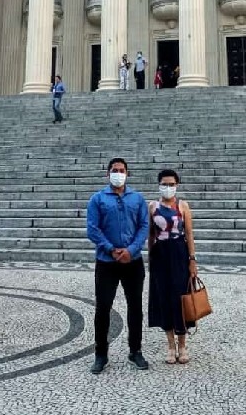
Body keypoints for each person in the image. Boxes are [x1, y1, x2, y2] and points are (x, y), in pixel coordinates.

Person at [86, 158, 150, 374]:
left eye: (122, 170)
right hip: (107, 262)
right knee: (103, 308)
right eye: (115, 170)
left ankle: (135, 350)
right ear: (108, 173)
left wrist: (131, 250)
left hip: (133, 261)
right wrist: (111, 249)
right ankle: (101, 354)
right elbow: (92, 228)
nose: (118, 174)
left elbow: (144, 226)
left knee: (135, 307)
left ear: (127, 173)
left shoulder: (137, 198)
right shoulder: (98, 199)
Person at [148, 169, 198, 365]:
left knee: (181, 297)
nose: (167, 187)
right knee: (164, 298)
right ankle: (170, 345)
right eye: (164, 184)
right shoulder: (152, 206)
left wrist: (192, 260)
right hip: (160, 254)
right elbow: (151, 234)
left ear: (177, 185)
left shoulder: (183, 206)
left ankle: (183, 344)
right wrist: (150, 258)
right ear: (159, 184)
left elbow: (189, 234)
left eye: (171, 184)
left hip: (179, 253)